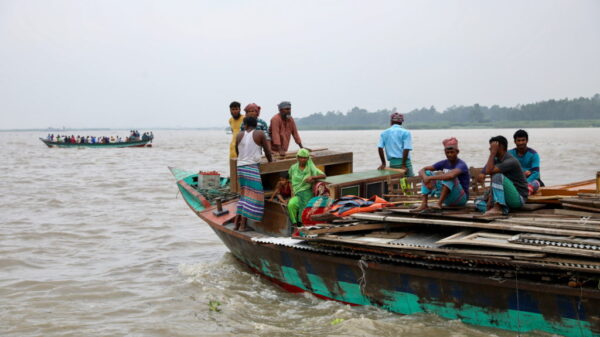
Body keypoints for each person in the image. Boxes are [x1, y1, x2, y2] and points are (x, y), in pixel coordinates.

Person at [234, 116, 273, 231]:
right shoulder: (260, 133)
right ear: (256, 125)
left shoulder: (239, 135)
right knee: (254, 195)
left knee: (244, 195)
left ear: (245, 125)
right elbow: (267, 150)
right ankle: (242, 226)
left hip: (240, 167)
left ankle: (236, 224)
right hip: (251, 167)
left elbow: (237, 151)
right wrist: (271, 161)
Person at [476, 136, 529, 215]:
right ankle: (504, 210)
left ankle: (498, 207)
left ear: (500, 147)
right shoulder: (496, 159)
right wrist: (482, 173)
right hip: (505, 197)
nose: (490, 149)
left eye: (492, 147)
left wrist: (493, 153)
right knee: (478, 201)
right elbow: (486, 170)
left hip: (518, 198)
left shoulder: (511, 161)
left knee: (497, 175)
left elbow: (489, 171)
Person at [414, 137, 470, 211]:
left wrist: (430, 178)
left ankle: (439, 204)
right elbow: (422, 170)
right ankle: (424, 204)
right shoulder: (444, 162)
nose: (449, 154)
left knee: (449, 176)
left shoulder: (461, 164)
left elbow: (451, 175)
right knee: (427, 173)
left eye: (452, 152)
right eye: (447, 152)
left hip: (460, 199)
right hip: (447, 199)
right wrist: (425, 177)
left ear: (457, 152)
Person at [287, 149, 326, 227]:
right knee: (291, 204)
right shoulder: (293, 168)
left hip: (307, 192)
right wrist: (292, 192)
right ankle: (295, 224)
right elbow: (290, 181)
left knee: (304, 206)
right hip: (297, 192)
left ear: (308, 158)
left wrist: (313, 177)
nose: (302, 159)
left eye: (305, 158)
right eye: (300, 157)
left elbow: (323, 175)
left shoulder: (310, 167)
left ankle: (301, 224)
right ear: (297, 158)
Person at [508, 129, 542, 195]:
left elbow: (536, 173)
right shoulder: (509, 153)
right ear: (515, 141)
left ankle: (521, 196)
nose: (521, 143)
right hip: (516, 180)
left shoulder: (534, 154)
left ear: (527, 141)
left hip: (531, 180)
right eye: (519, 140)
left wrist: (525, 182)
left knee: (532, 185)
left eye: (523, 140)